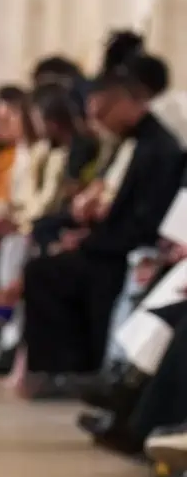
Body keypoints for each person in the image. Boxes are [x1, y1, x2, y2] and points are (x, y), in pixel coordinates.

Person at [23, 69, 185, 398]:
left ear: (125, 104)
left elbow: (146, 221)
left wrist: (90, 242)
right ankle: (63, 371)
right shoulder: (126, 143)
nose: (97, 123)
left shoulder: (159, 150)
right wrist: (85, 229)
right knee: (44, 258)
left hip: (129, 248)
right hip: (114, 243)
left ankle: (100, 376)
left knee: (52, 272)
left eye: (102, 113)